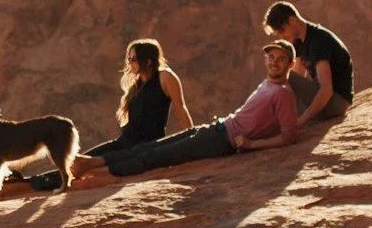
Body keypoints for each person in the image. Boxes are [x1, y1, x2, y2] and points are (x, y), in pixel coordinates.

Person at [101, 40, 303, 176]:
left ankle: (102, 173)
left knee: (157, 156)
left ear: (291, 64)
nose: (274, 63)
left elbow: (289, 136)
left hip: (223, 140)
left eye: (281, 59)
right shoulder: (267, 84)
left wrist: (251, 144)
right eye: (271, 57)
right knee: (151, 148)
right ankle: (95, 164)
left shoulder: (283, 93)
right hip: (216, 129)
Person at [88, 39, 195, 165]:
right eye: (129, 58)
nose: (129, 63)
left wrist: (193, 139)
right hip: (124, 143)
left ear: (148, 61)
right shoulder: (137, 85)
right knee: (77, 161)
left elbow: (181, 109)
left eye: (133, 59)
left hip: (145, 148)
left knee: (91, 165)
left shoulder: (165, 77)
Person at [264, 1, 355, 122]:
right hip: (325, 100)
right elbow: (298, 77)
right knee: (282, 85)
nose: (281, 37)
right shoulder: (299, 41)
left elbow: (326, 90)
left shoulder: (318, 41)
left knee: (281, 73)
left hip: (336, 102)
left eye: (282, 30)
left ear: (292, 20)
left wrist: (302, 121)